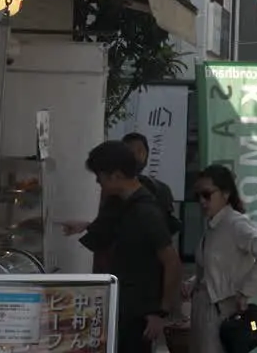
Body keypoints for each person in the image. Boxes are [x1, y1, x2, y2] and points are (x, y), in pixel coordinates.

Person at [72, 141, 182, 353]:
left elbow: (172, 263)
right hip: (123, 306)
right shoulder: (124, 204)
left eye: (100, 176)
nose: (98, 182)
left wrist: (161, 312)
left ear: (116, 176)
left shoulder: (146, 212)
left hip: (140, 314)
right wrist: (87, 226)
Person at [189, 165, 257, 353]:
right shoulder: (215, 224)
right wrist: (192, 283)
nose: (202, 201)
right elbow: (214, 265)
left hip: (220, 309)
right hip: (204, 306)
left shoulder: (235, 223)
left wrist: (246, 291)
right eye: (198, 196)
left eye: (207, 195)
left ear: (225, 194)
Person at [121, 132, 181, 234]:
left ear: (147, 156)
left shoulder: (161, 189)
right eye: (130, 151)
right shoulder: (112, 187)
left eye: (140, 151)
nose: (135, 155)